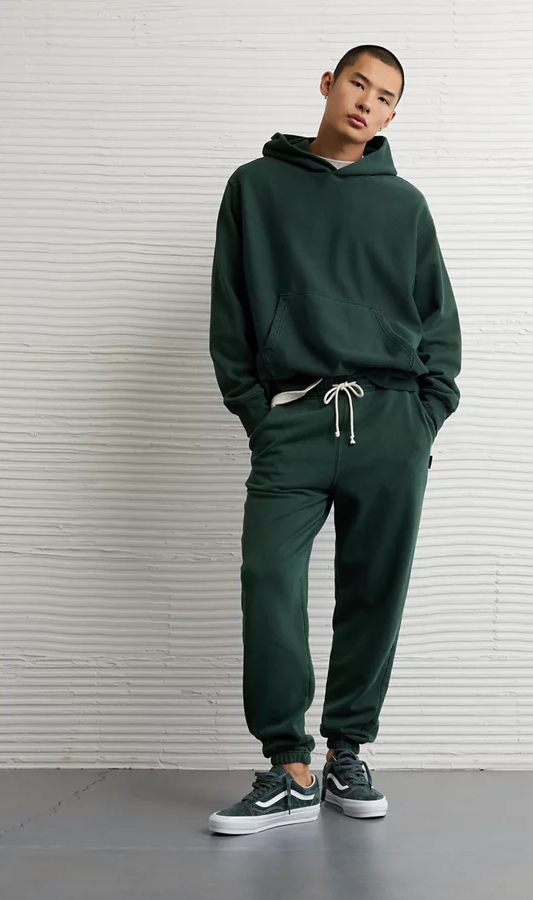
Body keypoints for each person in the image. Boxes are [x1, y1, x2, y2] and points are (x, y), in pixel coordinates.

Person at [207, 44, 462, 835]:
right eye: (357, 83)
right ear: (328, 83)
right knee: (268, 578)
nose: (366, 103)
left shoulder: (405, 205)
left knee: (373, 589)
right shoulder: (255, 187)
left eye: (384, 97)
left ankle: (348, 750)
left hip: (388, 422)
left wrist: (425, 413)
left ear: (392, 115)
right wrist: (259, 414)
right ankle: (289, 767)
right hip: (295, 418)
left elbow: (439, 323)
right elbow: (229, 312)